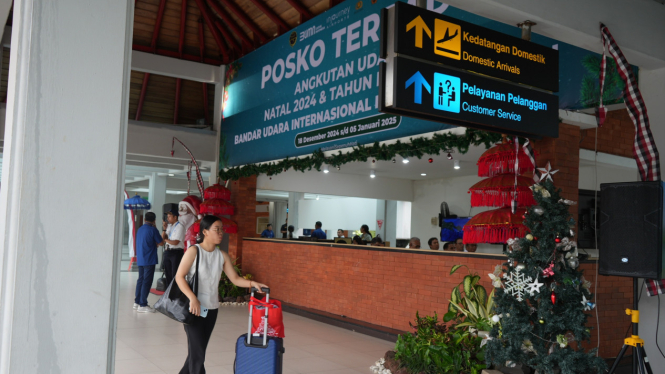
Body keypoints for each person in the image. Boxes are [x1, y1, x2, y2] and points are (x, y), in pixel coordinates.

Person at [175, 215, 268, 373]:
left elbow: (235, 279)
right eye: (216, 229)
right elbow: (179, 277)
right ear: (205, 231)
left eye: (221, 229)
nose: (220, 233)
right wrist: (193, 299)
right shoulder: (194, 251)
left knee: (198, 352)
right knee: (198, 354)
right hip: (194, 309)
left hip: (211, 310)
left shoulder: (221, 255)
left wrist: (253, 284)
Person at [134, 212, 165, 313]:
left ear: (144, 219)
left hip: (141, 259)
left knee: (140, 280)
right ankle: (143, 305)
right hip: (149, 259)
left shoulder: (140, 229)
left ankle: (137, 303)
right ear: (154, 220)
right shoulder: (153, 230)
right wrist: (163, 230)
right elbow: (161, 242)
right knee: (146, 282)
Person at [162, 209, 186, 287]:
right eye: (167, 217)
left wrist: (166, 240)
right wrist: (164, 229)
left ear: (175, 217)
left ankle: (175, 292)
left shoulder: (180, 226)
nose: (168, 218)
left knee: (175, 273)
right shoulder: (169, 226)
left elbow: (175, 242)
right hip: (168, 251)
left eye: (169, 216)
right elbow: (162, 238)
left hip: (176, 252)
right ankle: (169, 292)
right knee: (167, 273)